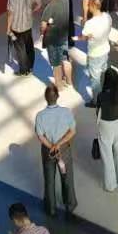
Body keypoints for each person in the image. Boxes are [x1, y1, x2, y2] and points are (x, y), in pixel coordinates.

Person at [33, 84, 77, 219]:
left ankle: (50, 208)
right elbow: (72, 132)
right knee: (67, 178)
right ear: (57, 96)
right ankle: (70, 206)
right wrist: (58, 144)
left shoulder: (40, 116)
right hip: (63, 150)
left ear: (45, 98)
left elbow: (40, 136)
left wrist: (51, 146)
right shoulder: (67, 112)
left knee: (49, 179)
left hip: (48, 151)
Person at [95, 68, 118, 192]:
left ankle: (110, 185)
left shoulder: (101, 96)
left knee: (107, 157)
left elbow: (98, 111)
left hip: (105, 125)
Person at [6, 0, 41, 77]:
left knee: (20, 49)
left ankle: (24, 70)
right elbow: (39, 3)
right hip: (28, 24)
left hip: (16, 27)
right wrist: (32, 11)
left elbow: (10, 13)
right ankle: (30, 66)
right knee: (29, 45)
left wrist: (8, 28)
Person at [76, 0, 113, 100]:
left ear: (92, 7)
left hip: (95, 54)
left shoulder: (90, 23)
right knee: (103, 71)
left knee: (95, 80)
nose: (87, 7)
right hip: (105, 49)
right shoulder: (107, 16)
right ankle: (106, 91)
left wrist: (76, 38)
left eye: (88, 5)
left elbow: (83, 37)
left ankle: (97, 101)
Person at [40, 0, 72, 89]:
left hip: (53, 40)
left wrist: (42, 32)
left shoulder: (49, 7)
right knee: (65, 59)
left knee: (56, 64)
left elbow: (43, 26)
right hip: (64, 36)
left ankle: (59, 85)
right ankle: (69, 81)